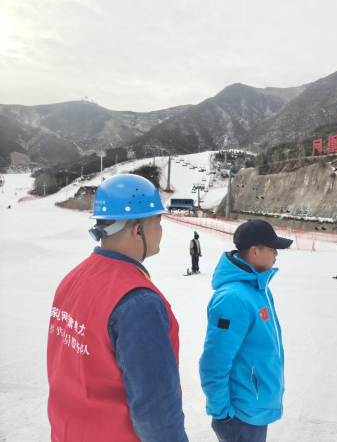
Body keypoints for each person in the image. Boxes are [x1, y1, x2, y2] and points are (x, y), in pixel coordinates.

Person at [47, 174, 188, 441]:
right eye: (158, 221)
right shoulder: (138, 302)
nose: (161, 230)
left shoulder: (73, 279)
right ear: (138, 230)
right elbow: (157, 414)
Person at [199, 219, 293, 442]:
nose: (276, 254)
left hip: (253, 409)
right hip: (240, 417)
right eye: (272, 248)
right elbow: (214, 362)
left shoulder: (257, 288)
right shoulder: (233, 298)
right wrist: (222, 413)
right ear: (254, 251)